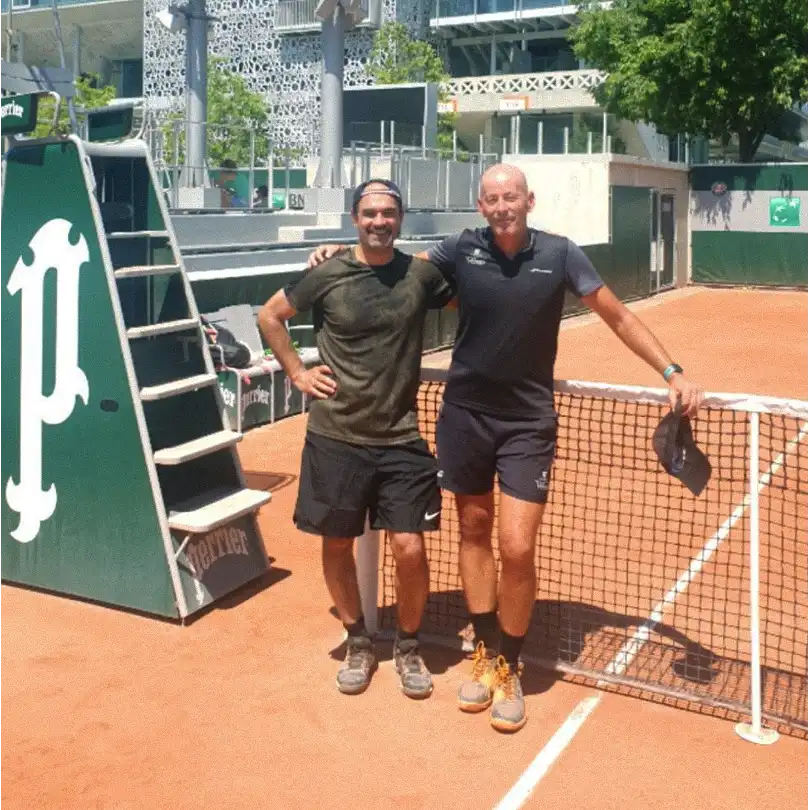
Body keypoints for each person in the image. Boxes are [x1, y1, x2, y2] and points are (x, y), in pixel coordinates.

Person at [306, 164, 704, 733]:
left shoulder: (563, 253)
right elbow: (388, 269)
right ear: (480, 206)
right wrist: (337, 255)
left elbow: (614, 314)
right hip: (465, 418)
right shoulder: (459, 250)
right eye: (491, 199)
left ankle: (510, 666)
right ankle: (488, 653)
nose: (501, 206)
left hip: (527, 423)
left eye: (510, 196)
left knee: (516, 547)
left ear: (528, 200)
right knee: (472, 529)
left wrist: (672, 370)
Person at [257, 179, 456, 700]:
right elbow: (269, 315)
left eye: (388, 213)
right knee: (337, 542)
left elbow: (475, 302)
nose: (379, 222)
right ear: (354, 218)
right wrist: (298, 372)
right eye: (370, 213)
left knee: (410, 547)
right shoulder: (327, 271)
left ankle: (408, 646)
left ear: (401, 218)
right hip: (335, 436)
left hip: (402, 438)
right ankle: (358, 640)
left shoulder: (421, 275)